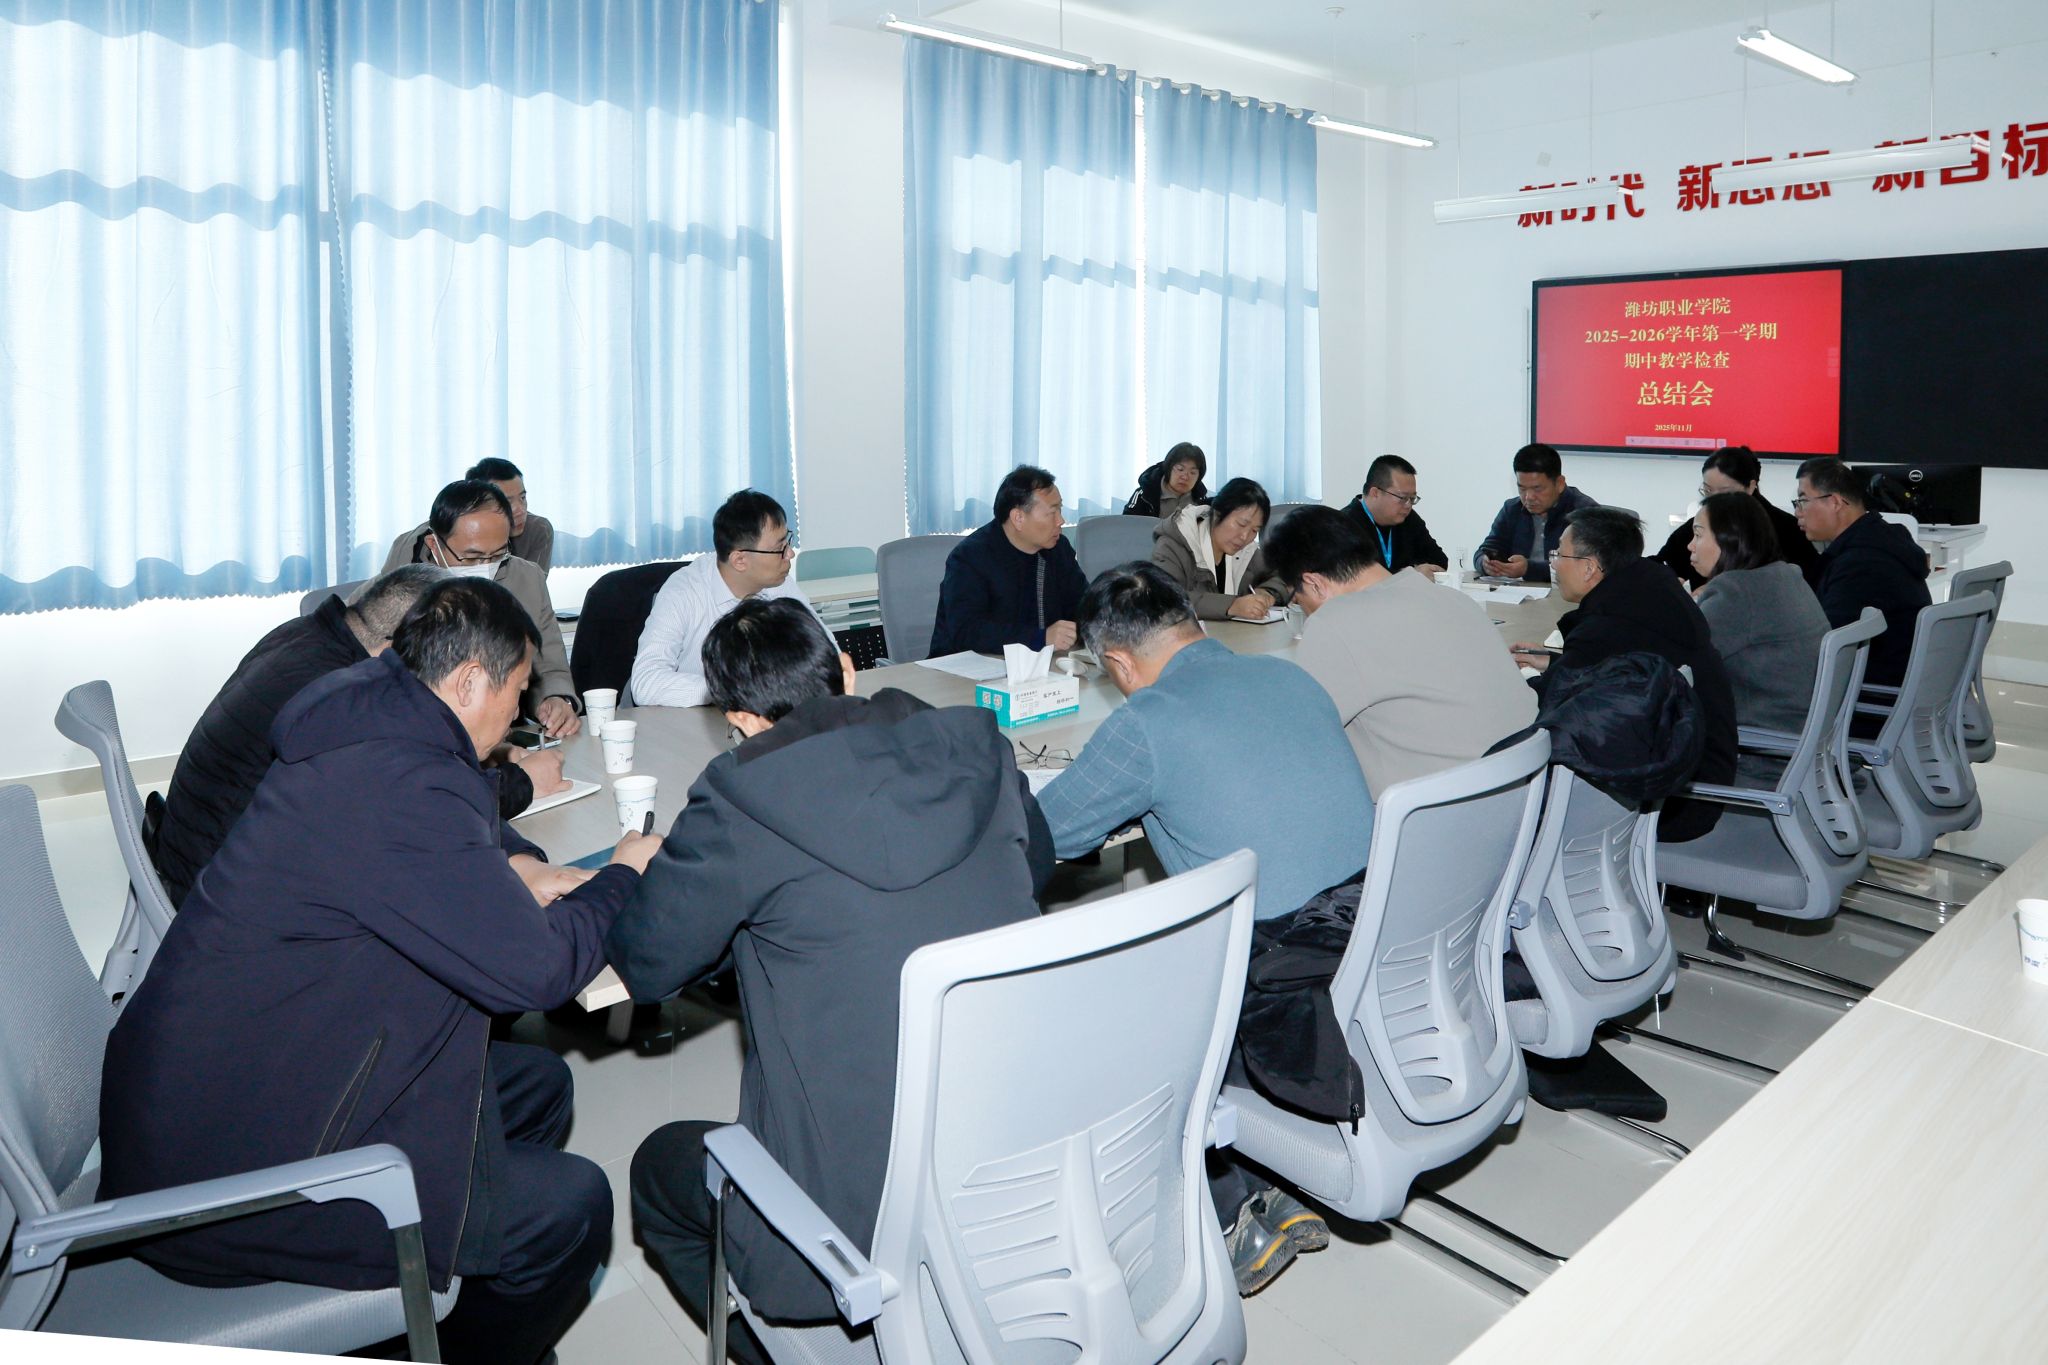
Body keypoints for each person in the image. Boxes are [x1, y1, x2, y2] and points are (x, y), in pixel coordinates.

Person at [98, 578, 663, 1365]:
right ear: (470, 681)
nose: (520, 710)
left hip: (233, 1092)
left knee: (537, 1086)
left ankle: (438, 1305)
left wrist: (522, 865)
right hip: (225, 1185)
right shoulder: (396, 783)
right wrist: (623, 875)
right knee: (572, 1206)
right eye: (517, 689)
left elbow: (461, 808)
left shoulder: (374, 715)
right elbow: (539, 974)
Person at [613, 598, 1052, 1362]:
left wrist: (635, 872)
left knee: (657, 1169)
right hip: (1017, 1158)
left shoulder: (738, 797)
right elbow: (1034, 864)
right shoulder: (976, 742)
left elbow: (648, 963)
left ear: (739, 719)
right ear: (847, 669)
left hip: (848, 1220)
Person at [1035, 563, 1373, 1295]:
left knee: (1115, 1002)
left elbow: (1048, 834)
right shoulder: (1291, 676)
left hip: (1275, 960)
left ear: (1118, 663)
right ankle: (1271, 1178)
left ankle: (1231, 1211)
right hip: (1367, 923)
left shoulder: (1145, 722)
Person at [150, 566, 563, 907]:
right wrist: (521, 784)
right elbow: (416, 808)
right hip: (228, 896)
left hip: (195, 853)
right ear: (407, 645)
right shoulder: (343, 700)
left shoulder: (305, 638)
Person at [1265, 506, 1535, 794]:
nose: (1303, 609)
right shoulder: (1453, 598)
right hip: (1525, 795)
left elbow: (1294, 739)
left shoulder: (1335, 623)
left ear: (1314, 583)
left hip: (1437, 811)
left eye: (1298, 599)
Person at [1511, 507, 1736, 842]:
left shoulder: (1604, 628)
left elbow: (1550, 712)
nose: (1554, 564)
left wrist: (1525, 678)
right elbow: (1618, 671)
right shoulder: (1651, 592)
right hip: (1691, 775)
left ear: (1589, 567)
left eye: (1559, 554)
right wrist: (1555, 663)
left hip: (1662, 804)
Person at [388, 479, 582, 736]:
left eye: (498, 554)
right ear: (434, 545)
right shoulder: (397, 591)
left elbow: (548, 666)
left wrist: (556, 699)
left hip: (503, 734)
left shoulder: (527, 580)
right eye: (472, 557)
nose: (486, 565)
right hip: (419, 733)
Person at [1689, 492, 1832, 784]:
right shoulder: (1786, 575)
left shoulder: (1735, 592)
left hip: (1763, 753)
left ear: (1729, 540)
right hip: (1806, 742)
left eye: (1698, 534)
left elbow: (1682, 661)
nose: (1690, 545)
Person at [629, 489, 821, 707]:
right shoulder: (683, 592)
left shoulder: (779, 583)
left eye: (787, 542)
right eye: (780, 548)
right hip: (691, 719)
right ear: (740, 560)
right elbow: (646, 682)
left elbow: (824, 652)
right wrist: (733, 690)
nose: (790, 554)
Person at [1793, 457, 1932, 694]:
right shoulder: (1881, 540)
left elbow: (1826, 646)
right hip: (1899, 682)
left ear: (1835, 502)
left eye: (1803, 501)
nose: (1798, 512)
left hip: (1871, 695)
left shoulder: (1861, 564)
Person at [929, 464, 1089, 655]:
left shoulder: (1058, 550)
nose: (1060, 520)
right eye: (1052, 512)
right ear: (1018, 518)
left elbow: (1084, 606)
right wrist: (1041, 637)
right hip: (965, 667)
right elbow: (967, 632)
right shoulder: (970, 558)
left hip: (1040, 664)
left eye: (1060, 510)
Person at [1653, 446, 1821, 590]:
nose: (1714, 501)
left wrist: (1718, 590)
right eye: (1708, 491)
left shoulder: (1787, 530)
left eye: (1725, 492)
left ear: (1750, 487)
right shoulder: (1699, 525)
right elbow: (1661, 564)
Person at [1149, 476, 1291, 621]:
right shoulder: (1173, 545)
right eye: (1241, 524)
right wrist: (1231, 605)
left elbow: (1283, 575)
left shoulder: (1247, 552)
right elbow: (1165, 598)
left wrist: (1267, 593)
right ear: (1217, 514)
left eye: (1254, 530)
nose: (1244, 536)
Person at [384, 457, 556, 575]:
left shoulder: (538, 529)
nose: (520, 510)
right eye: (506, 501)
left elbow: (532, 595)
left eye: (522, 498)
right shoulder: (414, 544)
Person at [1476, 443, 1598, 583]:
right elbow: (1487, 548)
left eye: (1537, 489)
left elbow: (1584, 566)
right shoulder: (1512, 509)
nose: (1529, 497)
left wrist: (1529, 569)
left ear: (1559, 483)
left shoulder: (1585, 513)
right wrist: (1485, 563)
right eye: (1522, 489)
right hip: (1517, 592)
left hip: (1564, 594)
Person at [1340, 454, 1450, 578]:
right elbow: (1355, 579)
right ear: (1375, 493)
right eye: (1402, 497)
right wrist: (1408, 575)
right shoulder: (1344, 525)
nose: (1408, 505)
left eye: (1412, 498)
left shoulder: (1408, 518)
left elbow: (1439, 561)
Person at [1124, 441, 1210, 520]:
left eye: (1192, 473)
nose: (1185, 477)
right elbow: (1127, 525)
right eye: (1180, 469)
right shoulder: (1144, 494)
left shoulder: (1201, 499)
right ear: (1168, 469)